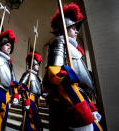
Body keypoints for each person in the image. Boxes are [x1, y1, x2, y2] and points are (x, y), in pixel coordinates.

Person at [43, 3, 102, 131]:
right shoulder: (59, 42)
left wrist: (90, 107)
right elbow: (58, 77)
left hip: (80, 101)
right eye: (73, 27)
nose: (77, 30)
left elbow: (82, 86)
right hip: (69, 105)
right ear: (64, 28)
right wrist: (81, 112)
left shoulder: (74, 49)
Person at [19, 52, 43, 131]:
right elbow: (21, 86)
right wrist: (26, 100)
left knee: (35, 122)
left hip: (36, 101)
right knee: (30, 124)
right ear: (32, 64)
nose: (39, 66)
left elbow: (40, 90)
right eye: (37, 64)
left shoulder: (37, 78)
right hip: (30, 100)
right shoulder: (27, 74)